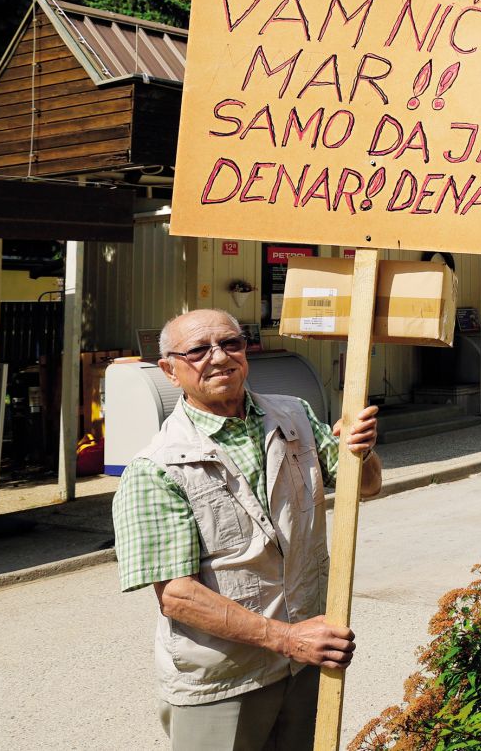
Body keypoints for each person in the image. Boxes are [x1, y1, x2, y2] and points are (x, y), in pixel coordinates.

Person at [113, 308, 382, 751]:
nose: (218, 358)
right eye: (198, 350)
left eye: (230, 344)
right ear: (169, 371)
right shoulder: (155, 467)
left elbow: (366, 487)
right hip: (226, 678)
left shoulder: (294, 416)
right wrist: (288, 639)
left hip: (306, 664)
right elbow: (177, 596)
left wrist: (363, 451)